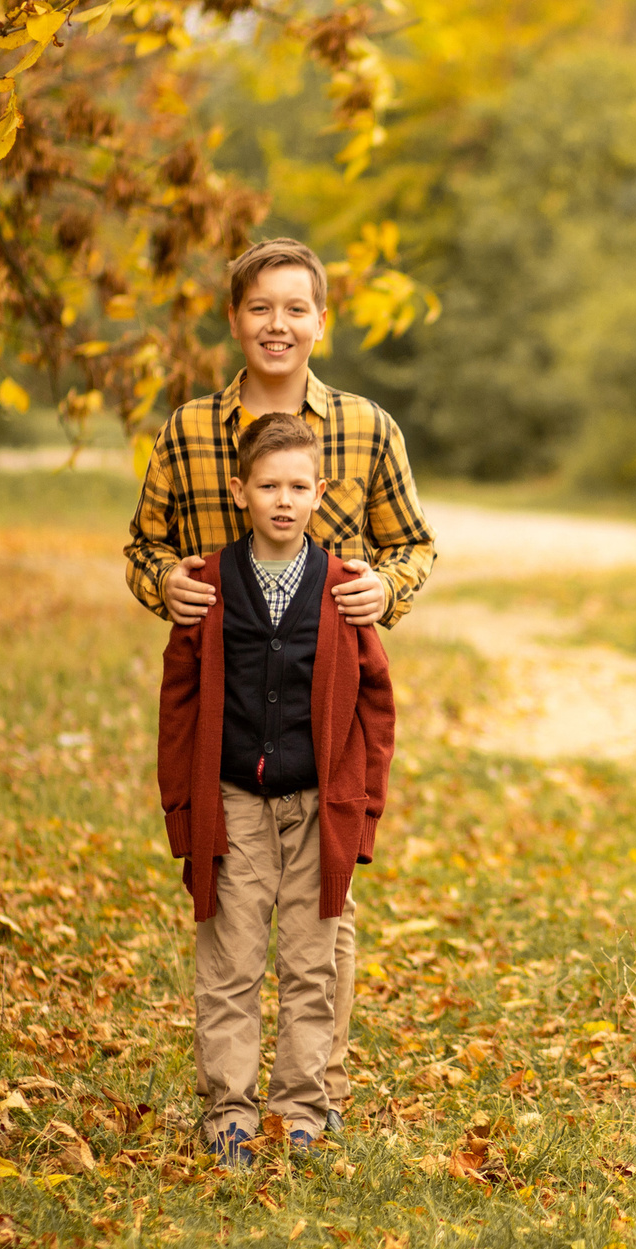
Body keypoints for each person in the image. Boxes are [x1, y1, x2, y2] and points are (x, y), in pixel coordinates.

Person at [126, 236, 435, 1131]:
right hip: (226, 723)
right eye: (261, 307)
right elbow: (143, 545)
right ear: (234, 319)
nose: (278, 325)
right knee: (230, 917)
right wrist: (165, 586)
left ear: (321, 321)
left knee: (321, 918)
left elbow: (414, 543)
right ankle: (230, 1102)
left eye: (296, 308)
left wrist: (391, 587)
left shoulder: (369, 428)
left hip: (321, 720)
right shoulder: (187, 431)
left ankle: (316, 1094)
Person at [155, 411, 396, 1166]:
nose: (284, 500)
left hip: (319, 805)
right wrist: (182, 808)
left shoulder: (343, 588)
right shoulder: (209, 585)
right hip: (232, 802)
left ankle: (301, 1106)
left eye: (298, 486)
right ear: (240, 491)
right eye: (268, 486)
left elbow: (375, 705)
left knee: (310, 960)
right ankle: (228, 1110)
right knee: (229, 958)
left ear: (319, 492)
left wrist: (363, 810)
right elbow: (180, 701)